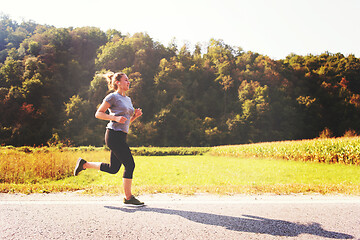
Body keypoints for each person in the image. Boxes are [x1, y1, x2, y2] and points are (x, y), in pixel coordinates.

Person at [74, 72, 144, 206]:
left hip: (121, 136)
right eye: (126, 80)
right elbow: (98, 113)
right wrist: (114, 118)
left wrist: (135, 116)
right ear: (118, 82)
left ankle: (84, 164)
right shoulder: (112, 97)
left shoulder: (128, 100)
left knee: (113, 168)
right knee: (130, 165)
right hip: (113, 135)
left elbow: (126, 122)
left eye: (128, 80)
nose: (128, 82)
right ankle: (128, 198)